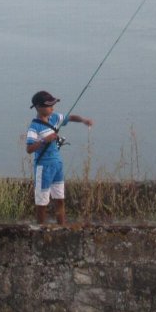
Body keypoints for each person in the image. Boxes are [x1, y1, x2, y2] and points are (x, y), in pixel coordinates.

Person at [25, 90, 93, 225]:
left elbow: (70, 117)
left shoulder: (55, 118)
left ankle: (62, 226)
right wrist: (45, 140)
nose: (52, 108)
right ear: (38, 107)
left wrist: (84, 120)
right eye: (49, 105)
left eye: (53, 104)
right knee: (42, 202)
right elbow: (29, 149)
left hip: (57, 165)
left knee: (60, 198)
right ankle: (41, 228)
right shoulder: (34, 127)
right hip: (43, 167)